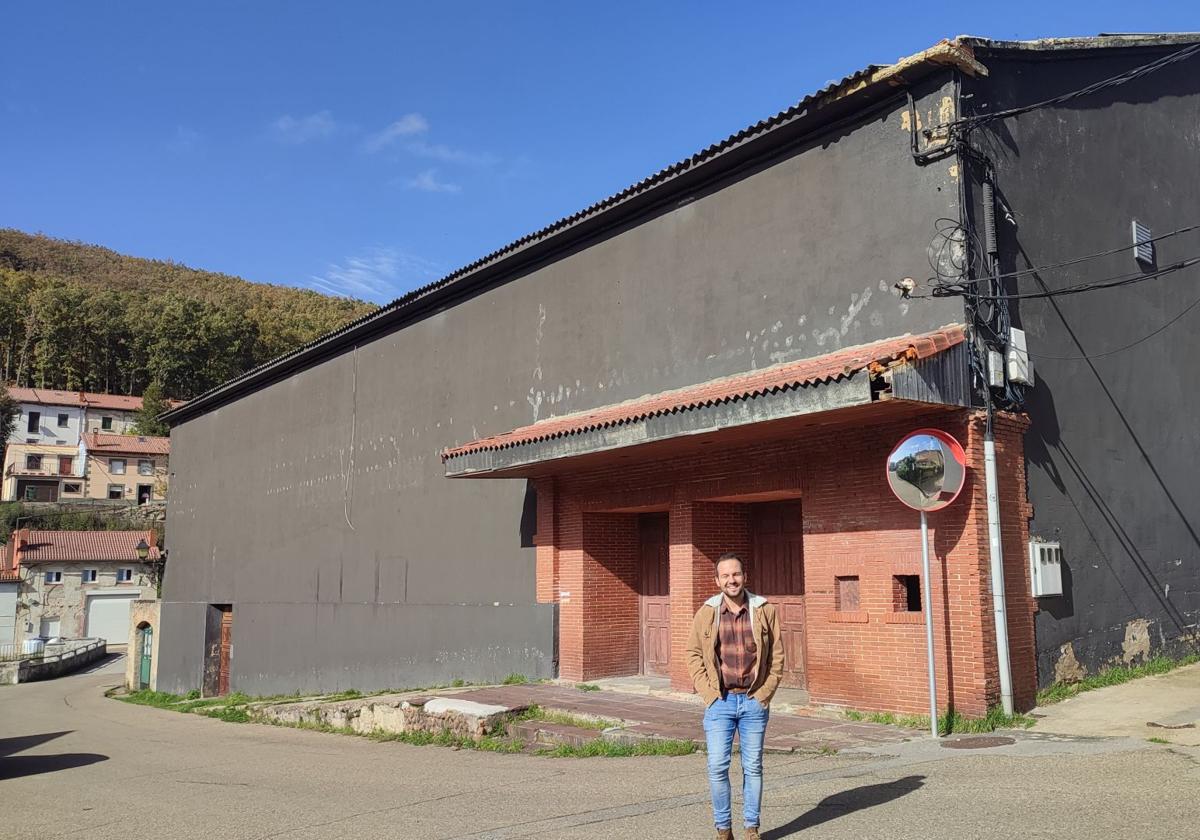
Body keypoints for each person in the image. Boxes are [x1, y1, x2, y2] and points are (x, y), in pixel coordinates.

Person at [685, 551, 784, 840]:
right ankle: (723, 830)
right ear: (717, 580)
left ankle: (751, 828)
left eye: (736, 574)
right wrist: (708, 693)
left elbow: (777, 656)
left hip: (754, 701)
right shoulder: (707, 613)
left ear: (745, 577)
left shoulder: (764, 609)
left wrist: (764, 694)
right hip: (721, 702)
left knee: (753, 766)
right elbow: (693, 654)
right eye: (726, 575)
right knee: (717, 766)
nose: (732, 580)